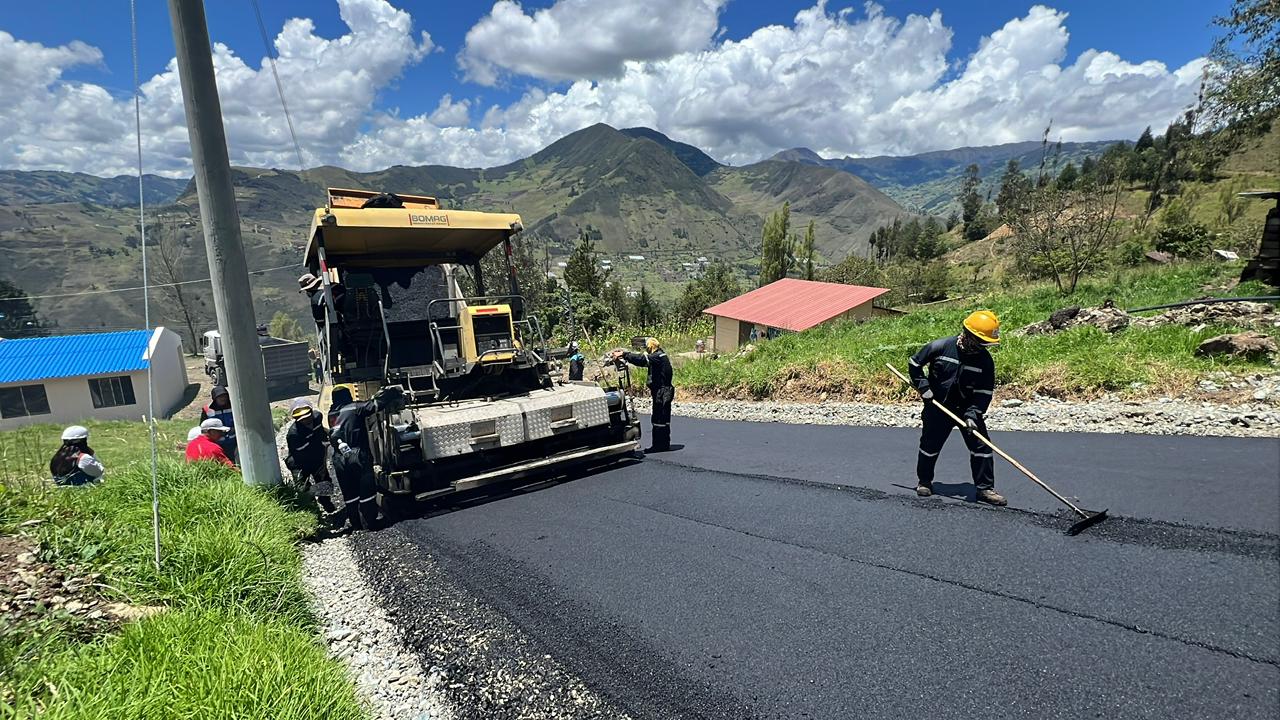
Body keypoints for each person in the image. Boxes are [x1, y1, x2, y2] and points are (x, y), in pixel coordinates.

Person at [907, 310, 1006, 506]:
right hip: (938, 406)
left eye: (986, 344)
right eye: (980, 342)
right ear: (968, 335)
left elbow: (984, 392)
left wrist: (973, 414)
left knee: (982, 447)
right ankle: (924, 481)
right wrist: (923, 387)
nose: (982, 347)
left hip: (967, 409)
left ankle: (985, 489)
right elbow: (914, 363)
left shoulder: (985, 361)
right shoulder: (940, 347)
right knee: (929, 445)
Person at [328, 384, 405, 530]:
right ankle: (371, 522)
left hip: (339, 458)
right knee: (366, 489)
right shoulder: (354, 408)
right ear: (348, 396)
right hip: (357, 455)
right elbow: (375, 405)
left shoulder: (331, 413)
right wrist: (392, 392)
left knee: (350, 493)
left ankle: (356, 524)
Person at [613, 337, 675, 452]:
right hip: (665, 391)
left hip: (661, 392)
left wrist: (624, 354)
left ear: (650, 347)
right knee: (664, 419)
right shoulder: (661, 356)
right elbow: (643, 360)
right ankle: (664, 444)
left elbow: (641, 359)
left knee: (658, 420)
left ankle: (659, 446)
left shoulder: (656, 357)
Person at [284, 398, 338, 517]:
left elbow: (321, 433)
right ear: (297, 419)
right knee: (303, 488)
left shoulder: (318, 417)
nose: (306, 421)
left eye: (308, 417)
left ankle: (326, 502)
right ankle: (312, 511)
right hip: (299, 462)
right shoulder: (293, 434)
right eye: (302, 419)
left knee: (325, 482)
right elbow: (302, 453)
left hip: (316, 456)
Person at [199, 386, 236, 463]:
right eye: (220, 397)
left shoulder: (234, 406)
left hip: (234, 443)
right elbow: (202, 428)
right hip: (217, 444)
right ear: (215, 398)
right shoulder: (207, 410)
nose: (223, 399)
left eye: (224, 396)